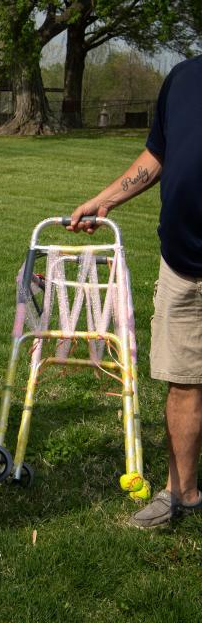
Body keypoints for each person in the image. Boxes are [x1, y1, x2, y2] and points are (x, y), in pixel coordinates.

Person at [67, 55, 202, 529]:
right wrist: (103, 201)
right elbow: (158, 154)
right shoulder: (185, 77)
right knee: (183, 378)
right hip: (183, 261)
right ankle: (181, 495)